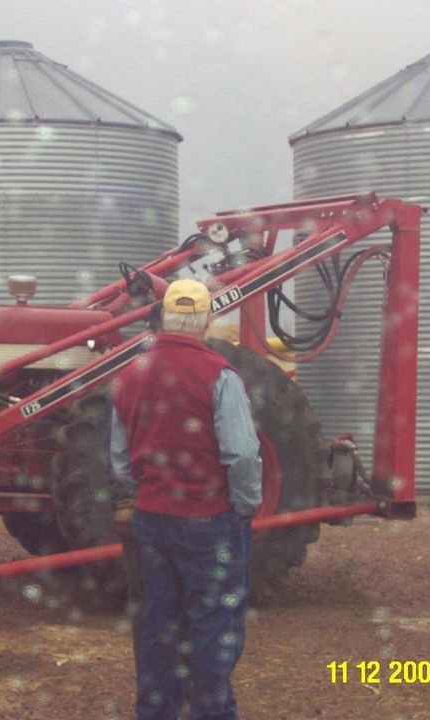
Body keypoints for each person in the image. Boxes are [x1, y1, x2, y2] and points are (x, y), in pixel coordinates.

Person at [109, 278, 263, 720]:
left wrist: (145, 493)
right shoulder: (219, 375)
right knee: (213, 627)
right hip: (210, 520)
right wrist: (244, 504)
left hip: (152, 521)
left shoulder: (128, 375)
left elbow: (119, 459)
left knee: (159, 624)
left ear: (161, 320)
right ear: (206, 321)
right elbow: (241, 453)